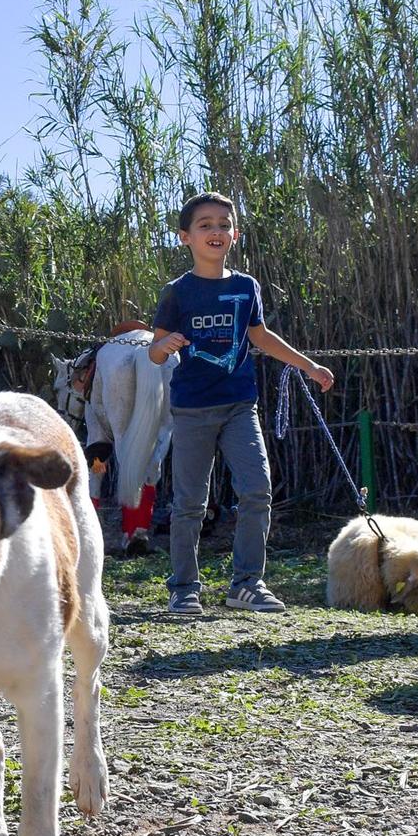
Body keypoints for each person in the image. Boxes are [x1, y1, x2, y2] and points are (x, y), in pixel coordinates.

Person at [149, 191, 334, 615]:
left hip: (239, 406)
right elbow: (154, 350)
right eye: (205, 225)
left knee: (256, 489)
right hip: (192, 409)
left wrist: (309, 366)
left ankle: (247, 584)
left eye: (223, 224)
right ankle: (183, 586)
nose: (216, 231)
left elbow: (261, 336)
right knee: (190, 502)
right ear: (185, 237)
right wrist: (166, 345)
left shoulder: (245, 286)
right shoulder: (177, 292)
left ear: (234, 233)